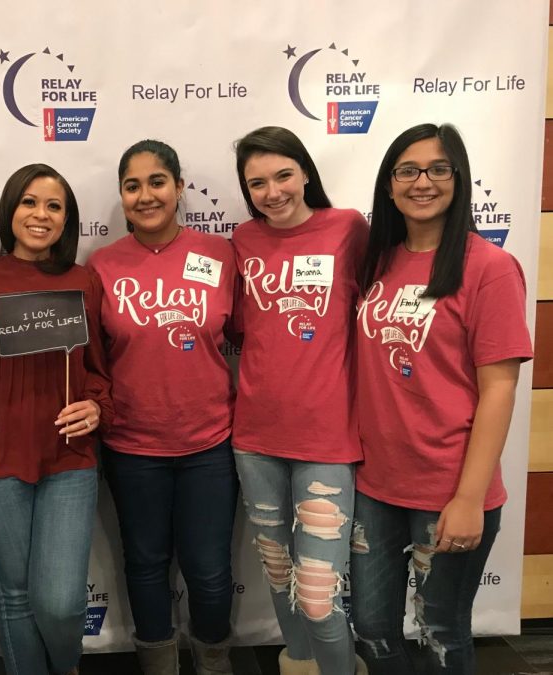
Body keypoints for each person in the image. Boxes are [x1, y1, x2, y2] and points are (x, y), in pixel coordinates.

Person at [351, 123, 533, 674]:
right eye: (407, 170)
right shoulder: (377, 262)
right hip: (375, 486)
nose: (422, 181)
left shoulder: (489, 269)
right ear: (388, 185)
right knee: (373, 628)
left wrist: (469, 497)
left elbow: (499, 388)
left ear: (459, 178)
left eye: (437, 169)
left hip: (448, 488)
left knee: (441, 633)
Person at [86, 139, 238, 675]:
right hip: (132, 446)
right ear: (122, 196)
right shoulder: (100, 266)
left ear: (178, 186)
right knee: (146, 565)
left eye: (157, 182)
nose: (145, 195)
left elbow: (243, 337)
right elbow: (94, 361)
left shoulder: (220, 254)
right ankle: (158, 664)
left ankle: (214, 661)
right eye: (132, 186)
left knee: (210, 570)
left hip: (210, 444)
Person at [0, 163, 112, 675]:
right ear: (9, 210)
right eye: (29, 202)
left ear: (67, 219)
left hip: (68, 458)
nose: (40, 215)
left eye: (53, 206)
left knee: (61, 602)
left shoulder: (83, 281)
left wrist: (96, 405)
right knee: (16, 596)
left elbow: (99, 372)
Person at [230, 127, 369, 675]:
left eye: (283, 175)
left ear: (306, 172)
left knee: (317, 594)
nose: (273, 191)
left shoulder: (349, 229)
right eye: (257, 182)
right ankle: (301, 664)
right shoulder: (243, 240)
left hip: (327, 440)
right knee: (279, 574)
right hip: (256, 437)